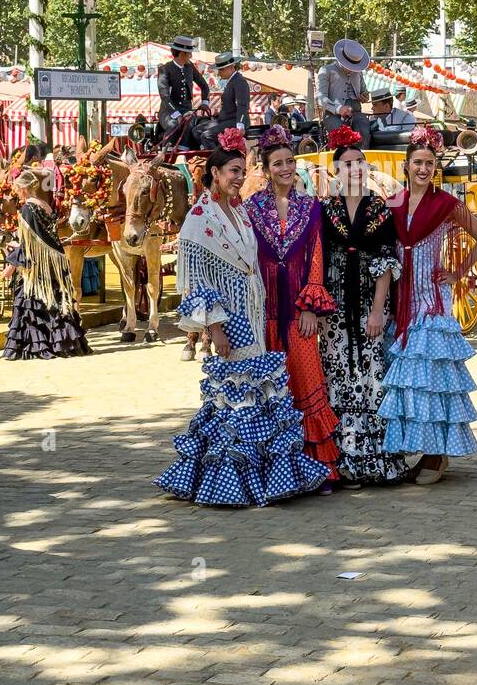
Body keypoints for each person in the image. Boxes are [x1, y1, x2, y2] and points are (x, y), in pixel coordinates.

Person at [156, 129, 329, 506]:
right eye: (232, 171)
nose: (237, 177)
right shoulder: (200, 218)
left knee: (250, 393)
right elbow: (197, 281)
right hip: (230, 318)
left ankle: (259, 475)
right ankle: (227, 478)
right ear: (214, 174)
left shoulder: (237, 210)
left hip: (254, 311)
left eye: (240, 171)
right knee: (238, 395)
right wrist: (215, 328)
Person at [379, 125, 477, 486]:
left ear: (435, 167)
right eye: (417, 163)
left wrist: (458, 272)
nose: (423, 169)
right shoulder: (393, 204)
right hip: (402, 300)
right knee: (410, 381)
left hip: (431, 301)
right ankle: (422, 449)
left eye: (429, 163)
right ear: (406, 166)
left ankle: (435, 454)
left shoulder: (445, 205)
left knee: (431, 378)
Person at [247, 125, 342, 490]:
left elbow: (316, 255)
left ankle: (318, 470)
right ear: (267, 168)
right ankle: (275, 473)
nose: (285, 168)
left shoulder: (310, 207)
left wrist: (310, 307)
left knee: (306, 379)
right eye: (277, 163)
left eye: (290, 161)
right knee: (271, 389)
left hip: (298, 312)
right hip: (265, 312)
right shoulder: (251, 208)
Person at [318, 126, 407, 487]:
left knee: (372, 373)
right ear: (336, 171)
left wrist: (377, 310)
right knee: (337, 373)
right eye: (346, 164)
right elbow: (319, 261)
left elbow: (386, 261)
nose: (353, 169)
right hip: (336, 303)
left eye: (359, 163)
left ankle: (375, 462)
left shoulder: (381, 211)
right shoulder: (326, 211)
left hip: (369, 301)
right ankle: (342, 463)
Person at [2, 167, 91, 359]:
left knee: (34, 302)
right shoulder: (46, 205)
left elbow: (29, 246)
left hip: (37, 266)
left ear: (23, 189)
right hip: (55, 262)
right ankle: (63, 342)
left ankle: (38, 344)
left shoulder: (27, 208)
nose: (15, 192)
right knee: (56, 300)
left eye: (17, 189)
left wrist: (11, 265)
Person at [315, 39, 372, 148]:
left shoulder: (358, 73)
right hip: (333, 114)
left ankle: (362, 160)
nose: (352, 69)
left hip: (356, 112)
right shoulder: (326, 70)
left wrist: (364, 96)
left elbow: (364, 91)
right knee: (342, 137)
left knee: (364, 132)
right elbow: (320, 97)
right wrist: (338, 108)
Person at [156, 36, 211, 144]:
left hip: (187, 110)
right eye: (190, 53)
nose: (191, 56)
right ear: (182, 54)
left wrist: (205, 102)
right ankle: (166, 151)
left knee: (196, 125)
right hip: (168, 111)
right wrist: (177, 115)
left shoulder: (190, 67)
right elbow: (165, 97)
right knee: (174, 124)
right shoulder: (165, 69)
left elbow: (204, 86)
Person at [199, 51, 251, 148]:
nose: (219, 73)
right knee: (196, 130)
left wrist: (240, 126)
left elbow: (242, 105)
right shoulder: (232, 81)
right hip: (225, 119)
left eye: (221, 69)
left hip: (235, 121)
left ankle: (218, 159)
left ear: (231, 67)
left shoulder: (240, 81)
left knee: (206, 136)